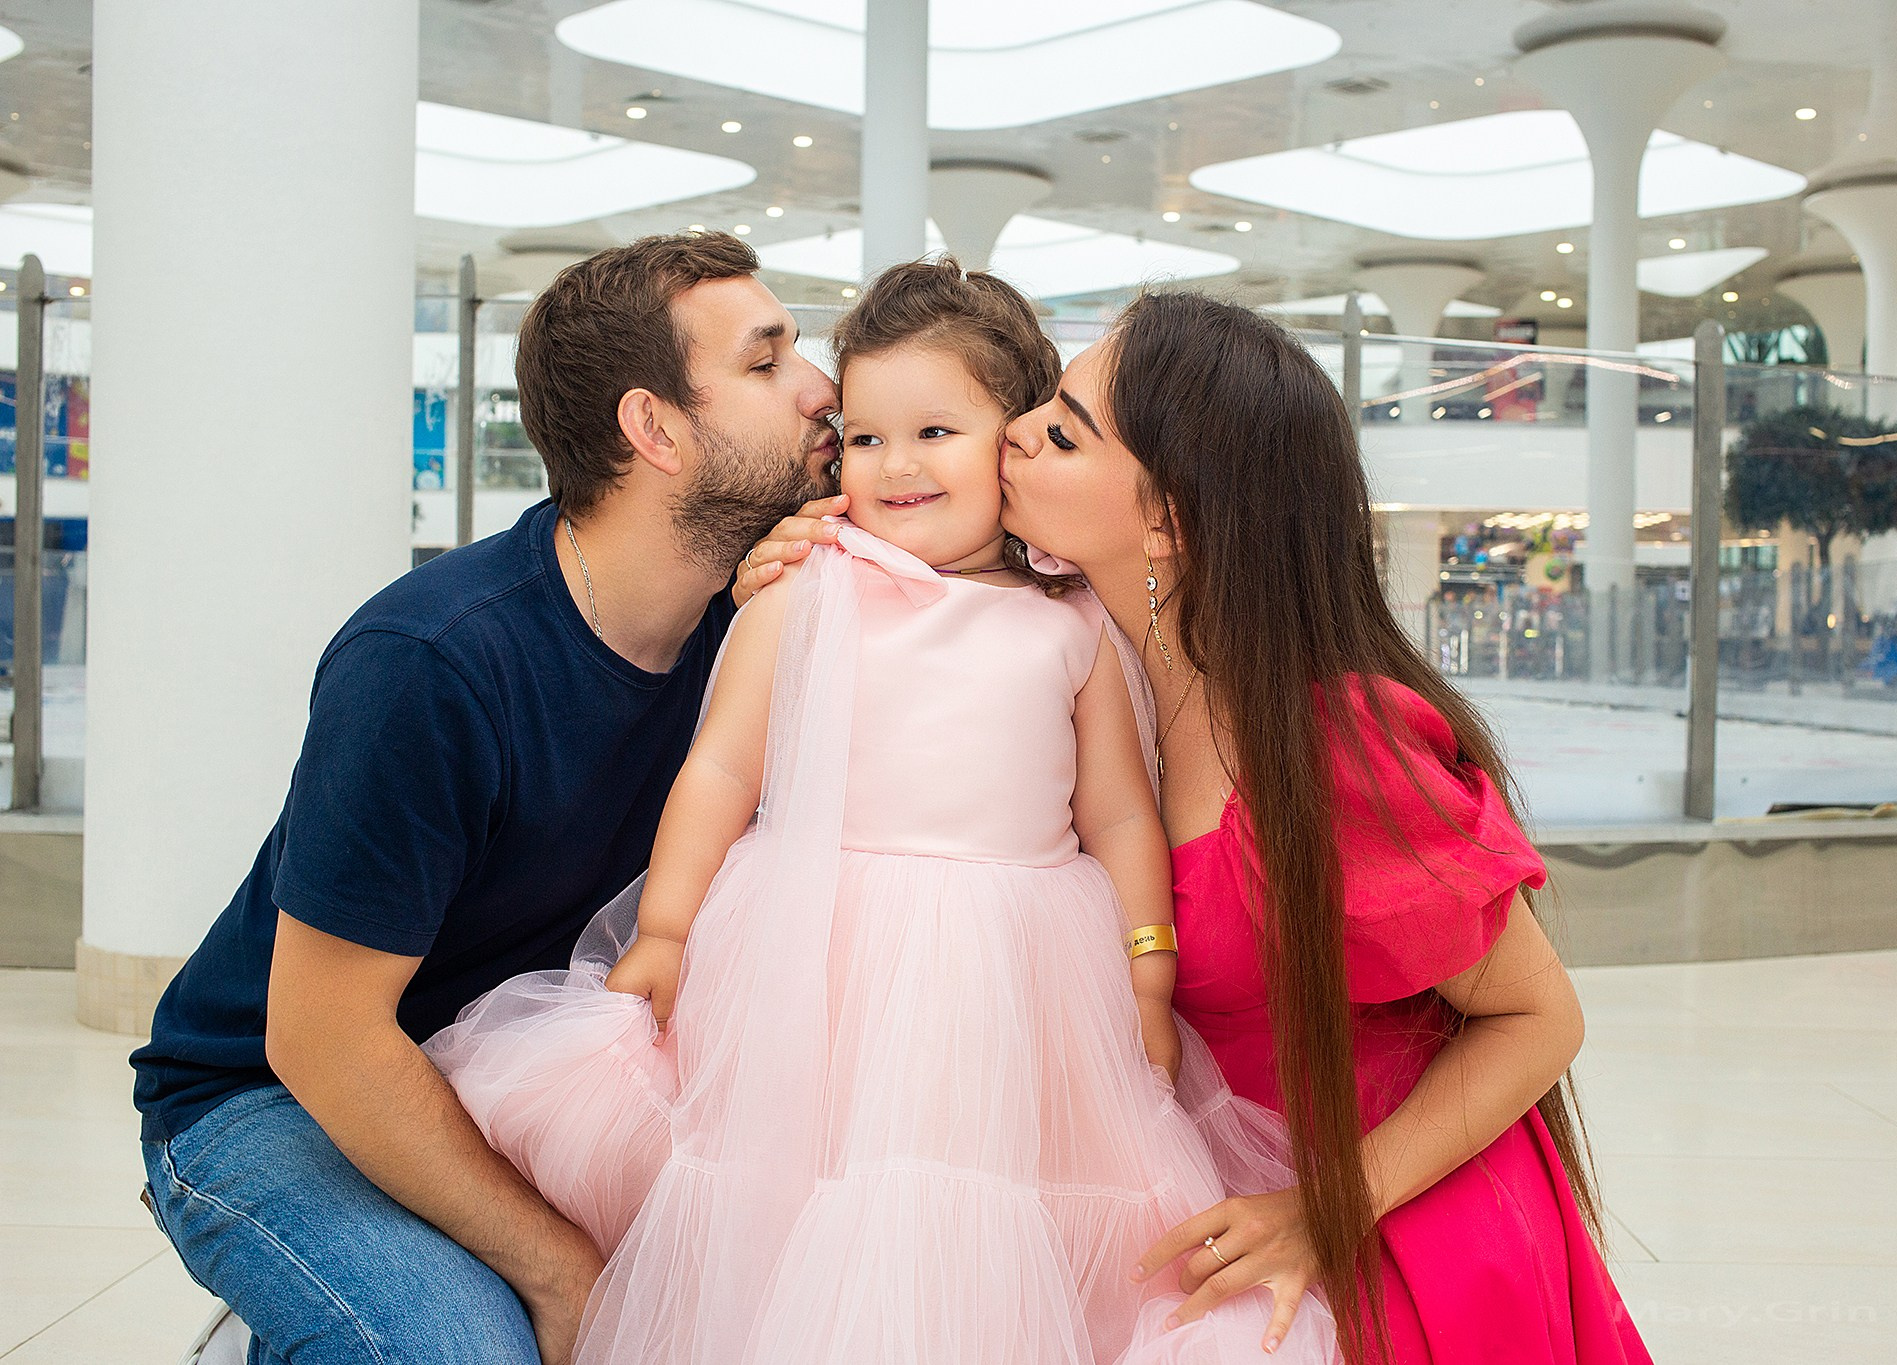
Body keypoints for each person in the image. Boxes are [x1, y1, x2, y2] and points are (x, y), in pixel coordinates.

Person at [424, 259, 1340, 1364]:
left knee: (996, 1219)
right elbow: (720, 770)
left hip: (1015, 978)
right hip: (813, 968)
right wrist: (665, 928)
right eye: (863, 438)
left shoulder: (1070, 621)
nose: (894, 464)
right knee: (799, 1221)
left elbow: (1121, 819)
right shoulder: (807, 583)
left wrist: (1146, 969)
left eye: (935, 432)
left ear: (1009, 441)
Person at [130, 232, 843, 1365]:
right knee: (466, 1350)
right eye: (767, 364)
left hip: (518, 1082)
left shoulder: (750, 634)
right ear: (653, 429)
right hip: (274, 1098)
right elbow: (323, 1040)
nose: (821, 391)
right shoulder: (431, 660)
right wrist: (556, 1266)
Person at [990, 292, 1647, 1363]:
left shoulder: (1333, 746)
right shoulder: (1087, 670)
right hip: (1226, 1223)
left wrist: (1327, 1208)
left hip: (1394, 1245)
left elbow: (1538, 1017)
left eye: (1061, 431)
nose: (1015, 431)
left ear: (1164, 520)